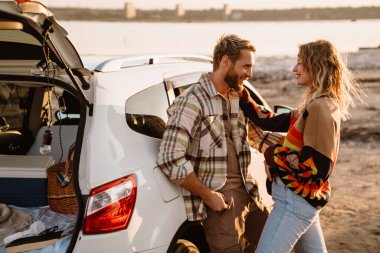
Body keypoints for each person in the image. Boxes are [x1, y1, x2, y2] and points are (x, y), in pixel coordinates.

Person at [157, 34, 283, 252]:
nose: (250, 74)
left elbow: (258, 136)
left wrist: (298, 145)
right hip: (221, 204)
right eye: (246, 66)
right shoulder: (191, 101)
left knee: (281, 244)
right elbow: (169, 158)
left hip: (250, 192)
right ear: (225, 62)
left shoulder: (237, 96)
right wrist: (209, 195)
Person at [239, 39, 364, 252]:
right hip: (303, 199)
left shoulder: (319, 108)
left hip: (294, 203)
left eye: (300, 63)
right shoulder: (319, 104)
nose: (294, 69)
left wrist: (272, 154)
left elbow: (318, 168)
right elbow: (269, 120)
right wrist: (243, 95)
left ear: (315, 66)